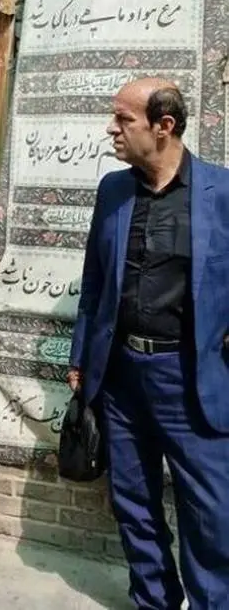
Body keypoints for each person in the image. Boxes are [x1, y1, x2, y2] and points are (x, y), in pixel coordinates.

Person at [68, 78, 229, 609]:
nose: (111, 129)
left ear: (164, 126)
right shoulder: (113, 191)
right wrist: (80, 359)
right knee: (133, 502)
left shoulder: (222, 193)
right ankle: (154, 600)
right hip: (120, 376)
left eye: (123, 119)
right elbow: (94, 282)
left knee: (211, 513)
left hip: (191, 379)